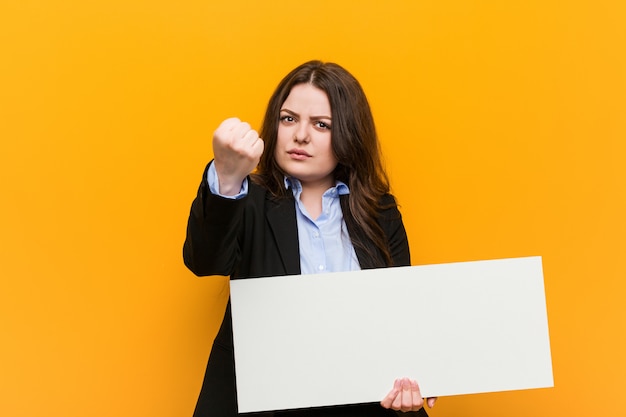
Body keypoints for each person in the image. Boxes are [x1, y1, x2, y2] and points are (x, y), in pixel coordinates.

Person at [183, 60, 437, 417]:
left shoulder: (379, 211)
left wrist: (416, 378)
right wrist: (226, 179)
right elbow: (205, 260)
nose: (300, 135)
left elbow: (400, 319)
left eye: (321, 124)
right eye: (289, 119)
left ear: (349, 133)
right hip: (260, 402)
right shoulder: (246, 197)